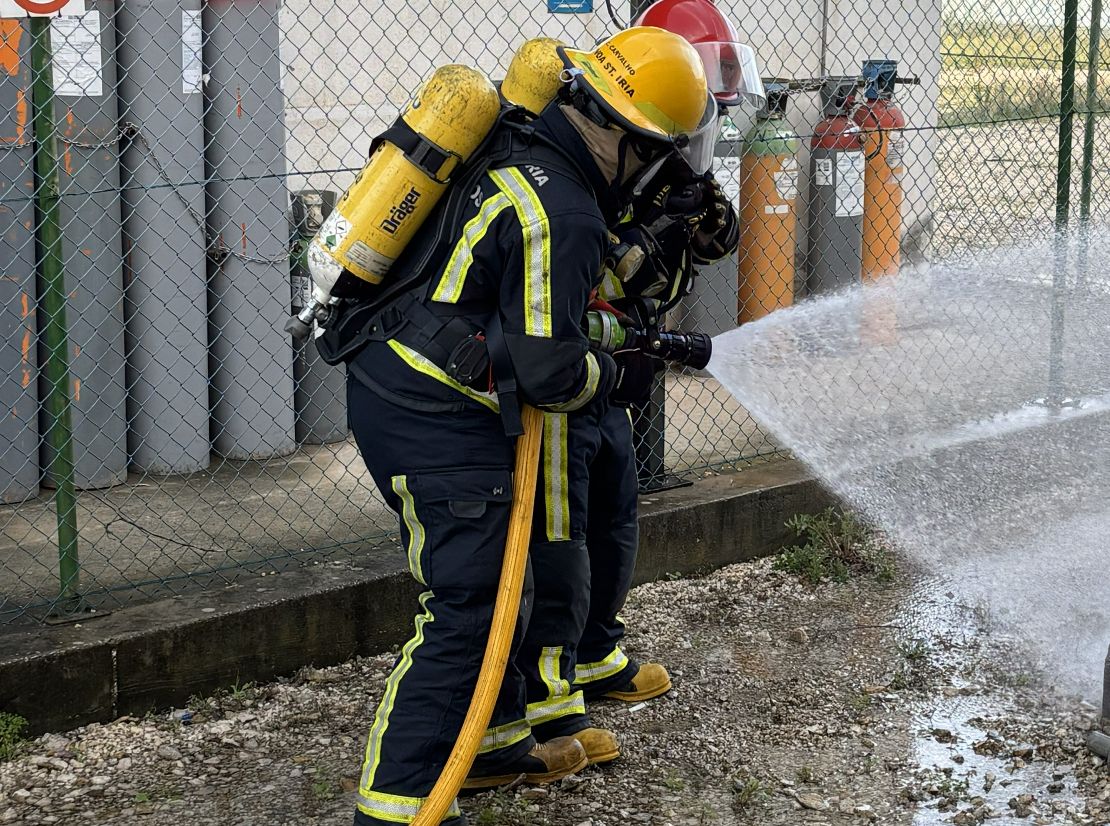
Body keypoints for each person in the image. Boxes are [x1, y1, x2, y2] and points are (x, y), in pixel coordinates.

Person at [340, 27, 712, 825]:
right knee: (470, 601)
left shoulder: (522, 146)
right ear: (623, 135)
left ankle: (493, 746)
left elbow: (526, 323)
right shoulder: (563, 209)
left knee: (514, 577)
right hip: (429, 411)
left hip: (418, 381)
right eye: (653, 154)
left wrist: (619, 338)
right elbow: (549, 370)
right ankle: (397, 802)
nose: (653, 174)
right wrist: (622, 373)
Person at [512, 0, 766, 765]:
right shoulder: (596, 162)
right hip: (571, 367)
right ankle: (551, 702)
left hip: (614, 371)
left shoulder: (662, 157)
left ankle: (596, 654)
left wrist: (700, 221)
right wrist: (646, 241)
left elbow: (687, 257)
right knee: (561, 538)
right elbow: (598, 270)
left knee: (615, 517)